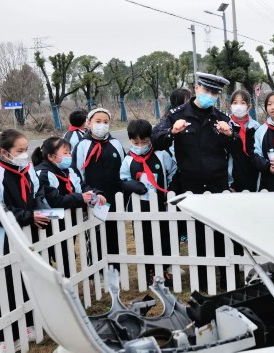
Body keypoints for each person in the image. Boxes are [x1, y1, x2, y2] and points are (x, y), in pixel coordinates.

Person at [152, 72, 238, 290]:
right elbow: (157, 139)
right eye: (206, 90)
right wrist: (173, 132)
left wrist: (230, 135)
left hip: (218, 187)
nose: (210, 96)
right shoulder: (177, 114)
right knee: (198, 236)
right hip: (192, 188)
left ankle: (228, 280)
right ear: (197, 88)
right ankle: (202, 283)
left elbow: (238, 147)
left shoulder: (221, 117)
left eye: (214, 93)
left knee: (223, 236)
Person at [0, 129, 50, 350]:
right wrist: (27, 216)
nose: (24, 155)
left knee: (28, 279)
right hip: (3, 237)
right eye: (19, 151)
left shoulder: (26, 168)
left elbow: (37, 193)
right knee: (7, 284)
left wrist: (40, 210)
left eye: (26, 150)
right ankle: (6, 336)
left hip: (28, 231)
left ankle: (29, 324)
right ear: (4, 152)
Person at [32, 137, 106, 277]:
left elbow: (82, 187)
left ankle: (68, 284)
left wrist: (96, 193)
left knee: (67, 255)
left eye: (69, 153)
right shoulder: (43, 174)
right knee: (50, 256)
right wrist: (80, 198)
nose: (69, 156)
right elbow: (54, 201)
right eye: (65, 153)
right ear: (51, 156)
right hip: (49, 223)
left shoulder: (69, 171)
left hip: (68, 221)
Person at [120, 119, 176, 285]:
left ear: (150, 138)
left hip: (161, 205)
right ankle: (148, 270)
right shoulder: (128, 160)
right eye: (135, 142)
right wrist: (131, 185)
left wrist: (170, 192)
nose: (140, 145)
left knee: (164, 236)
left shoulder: (161, 155)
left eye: (144, 141)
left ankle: (165, 268)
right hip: (140, 208)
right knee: (144, 238)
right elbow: (122, 179)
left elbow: (173, 172)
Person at [71, 108, 125, 265]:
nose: (102, 125)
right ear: (88, 123)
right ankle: (98, 270)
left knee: (114, 234)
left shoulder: (115, 144)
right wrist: (88, 192)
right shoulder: (82, 146)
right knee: (96, 236)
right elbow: (76, 174)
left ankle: (115, 268)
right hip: (95, 199)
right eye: (98, 121)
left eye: (106, 122)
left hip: (115, 198)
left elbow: (123, 169)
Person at [227, 90, 261, 192]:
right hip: (232, 181)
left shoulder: (256, 127)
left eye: (242, 103)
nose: (238, 106)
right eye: (235, 103)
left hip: (253, 179)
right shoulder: (226, 126)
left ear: (249, 107)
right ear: (230, 106)